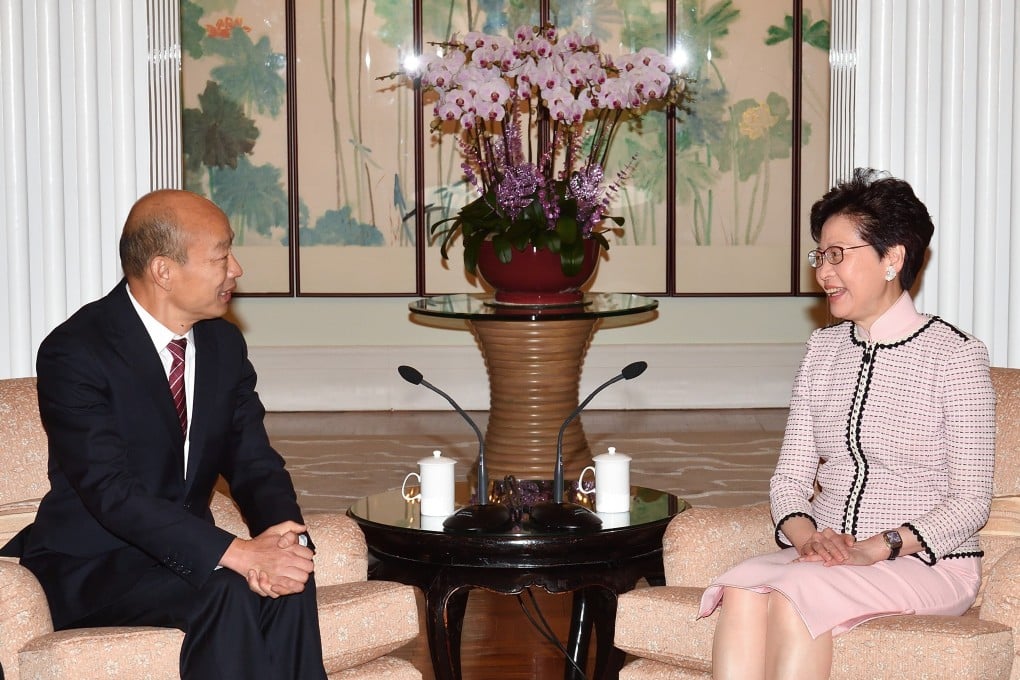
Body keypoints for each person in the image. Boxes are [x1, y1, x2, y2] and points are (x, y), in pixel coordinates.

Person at [0, 190, 327, 679]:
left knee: (287, 579)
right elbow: (110, 493)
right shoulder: (76, 352)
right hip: (93, 565)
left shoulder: (222, 345)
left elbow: (254, 460)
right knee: (229, 587)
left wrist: (284, 534)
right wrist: (235, 553)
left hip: (180, 554)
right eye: (221, 256)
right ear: (163, 271)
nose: (235, 269)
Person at [698, 169, 996, 679]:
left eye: (838, 254)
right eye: (820, 255)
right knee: (743, 588)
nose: (823, 272)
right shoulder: (823, 350)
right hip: (828, 556)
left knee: (795, 594)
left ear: (892, 258)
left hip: (924, 562)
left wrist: (877, 546)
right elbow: (789, 480)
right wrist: (807, 535)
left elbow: (970, 502)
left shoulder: (955, 357)